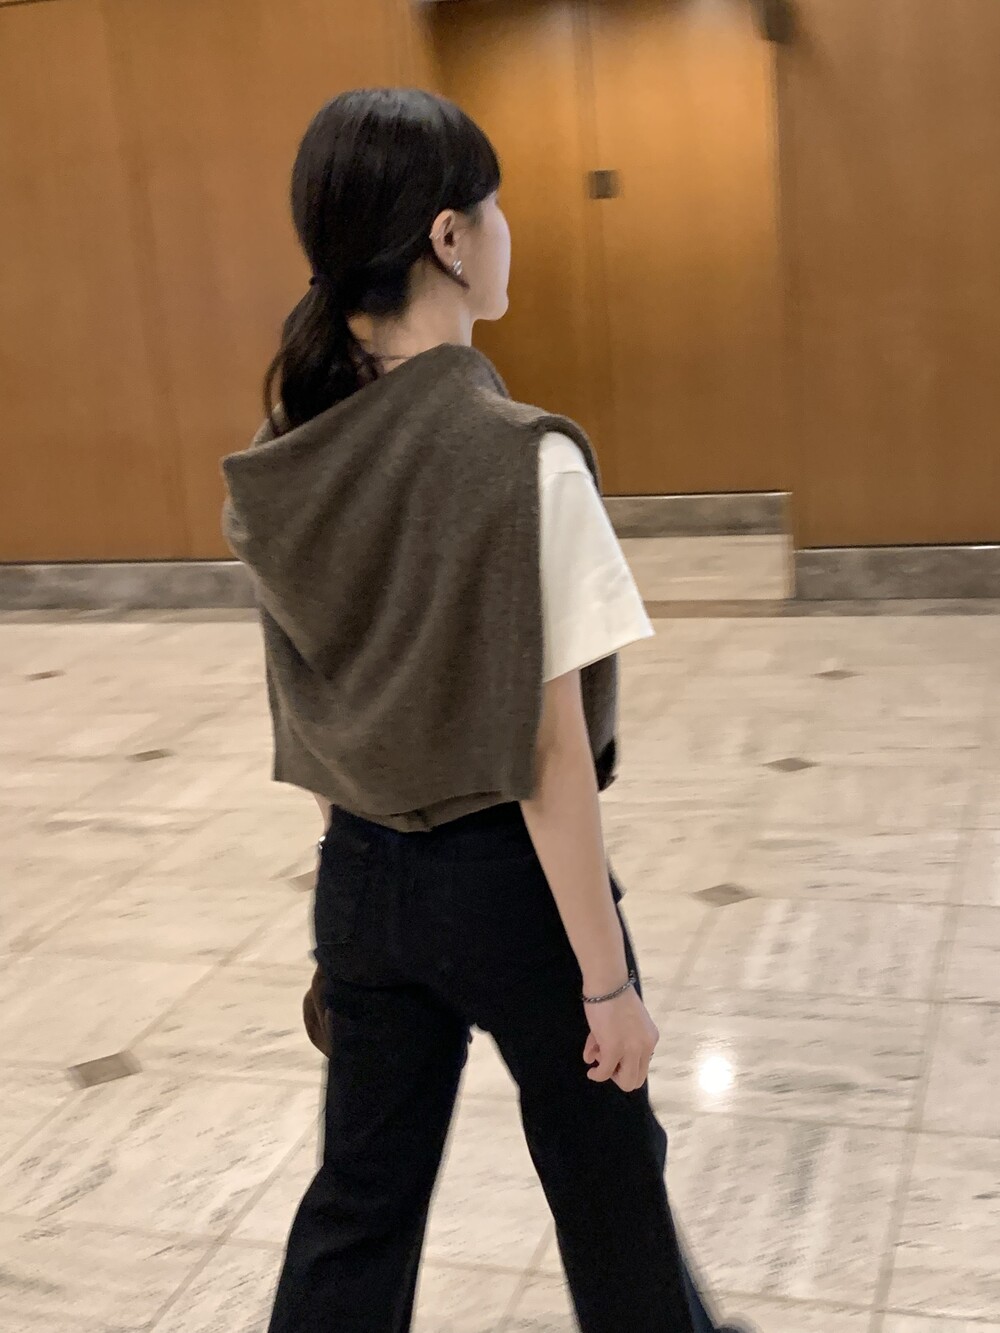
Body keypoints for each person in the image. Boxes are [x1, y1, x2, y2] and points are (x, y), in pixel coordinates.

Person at [223, 87, 752, 1333]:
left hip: (357, 875)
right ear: (450, 238)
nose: (510, 230)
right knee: (607, 1184)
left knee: (360, 1201)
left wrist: (348, 917)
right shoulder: (525, 459)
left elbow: (317, 702)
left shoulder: (287, 444)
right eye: (496, 206)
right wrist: (606, 985)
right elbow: (549, 755)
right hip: (510, 889)